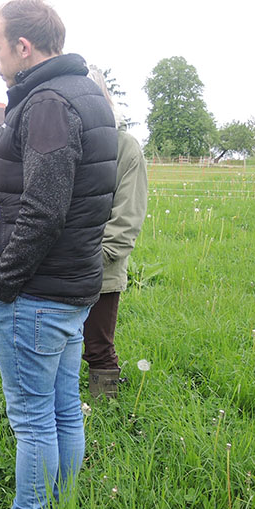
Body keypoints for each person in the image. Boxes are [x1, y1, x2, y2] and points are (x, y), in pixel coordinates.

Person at [0, 0, 116, 509]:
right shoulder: (85, 94)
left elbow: (45, 206)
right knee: (61, 408)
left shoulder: (50, 102)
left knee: (33, 420)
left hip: (37, 293)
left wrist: (3, 278)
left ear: (24, 47)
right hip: (72, 286)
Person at [83, 66, 148, 399]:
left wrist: (90, 257)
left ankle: (106, 408)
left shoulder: (125, 148)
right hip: (55, 271)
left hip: (100, 271)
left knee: (97, 345)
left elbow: (126, 221)